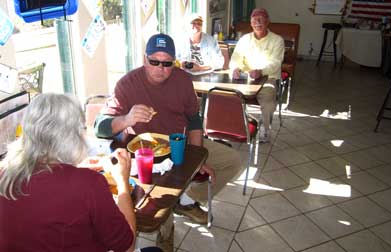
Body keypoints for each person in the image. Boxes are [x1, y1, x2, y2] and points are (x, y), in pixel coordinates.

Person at [94, 33, 242, 225]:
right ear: (145, 59)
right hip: (143, 154)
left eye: (167, 63)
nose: (160, 69)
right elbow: (100, 127)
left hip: (180, 144)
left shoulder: (183, 80)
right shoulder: (127, 84)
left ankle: (185, 199)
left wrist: (195, 158)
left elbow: (193, 119)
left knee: (233, 161)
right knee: (157, 209)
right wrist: (127, 119)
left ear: (174, 62)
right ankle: (173, 208)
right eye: (154, 62)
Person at [0, 93, 161, 252]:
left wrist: (75, 171)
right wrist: (122, 183)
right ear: (73, 135)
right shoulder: (89, 183)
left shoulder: (4, 174)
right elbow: (126, 246)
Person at [229, 8, 285, 142]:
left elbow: (276, 63)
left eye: (261, 19)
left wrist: (261, 71)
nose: (258, 23)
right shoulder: (245, 39)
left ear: (267, 22)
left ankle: (265, 130)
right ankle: (232, 125)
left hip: (267, 78)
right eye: (255, 20)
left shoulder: (277, 40)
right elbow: (235, 58)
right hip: (245, 77)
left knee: (268, 97)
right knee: (225, 93)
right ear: (251, 23)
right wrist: (235, 67)